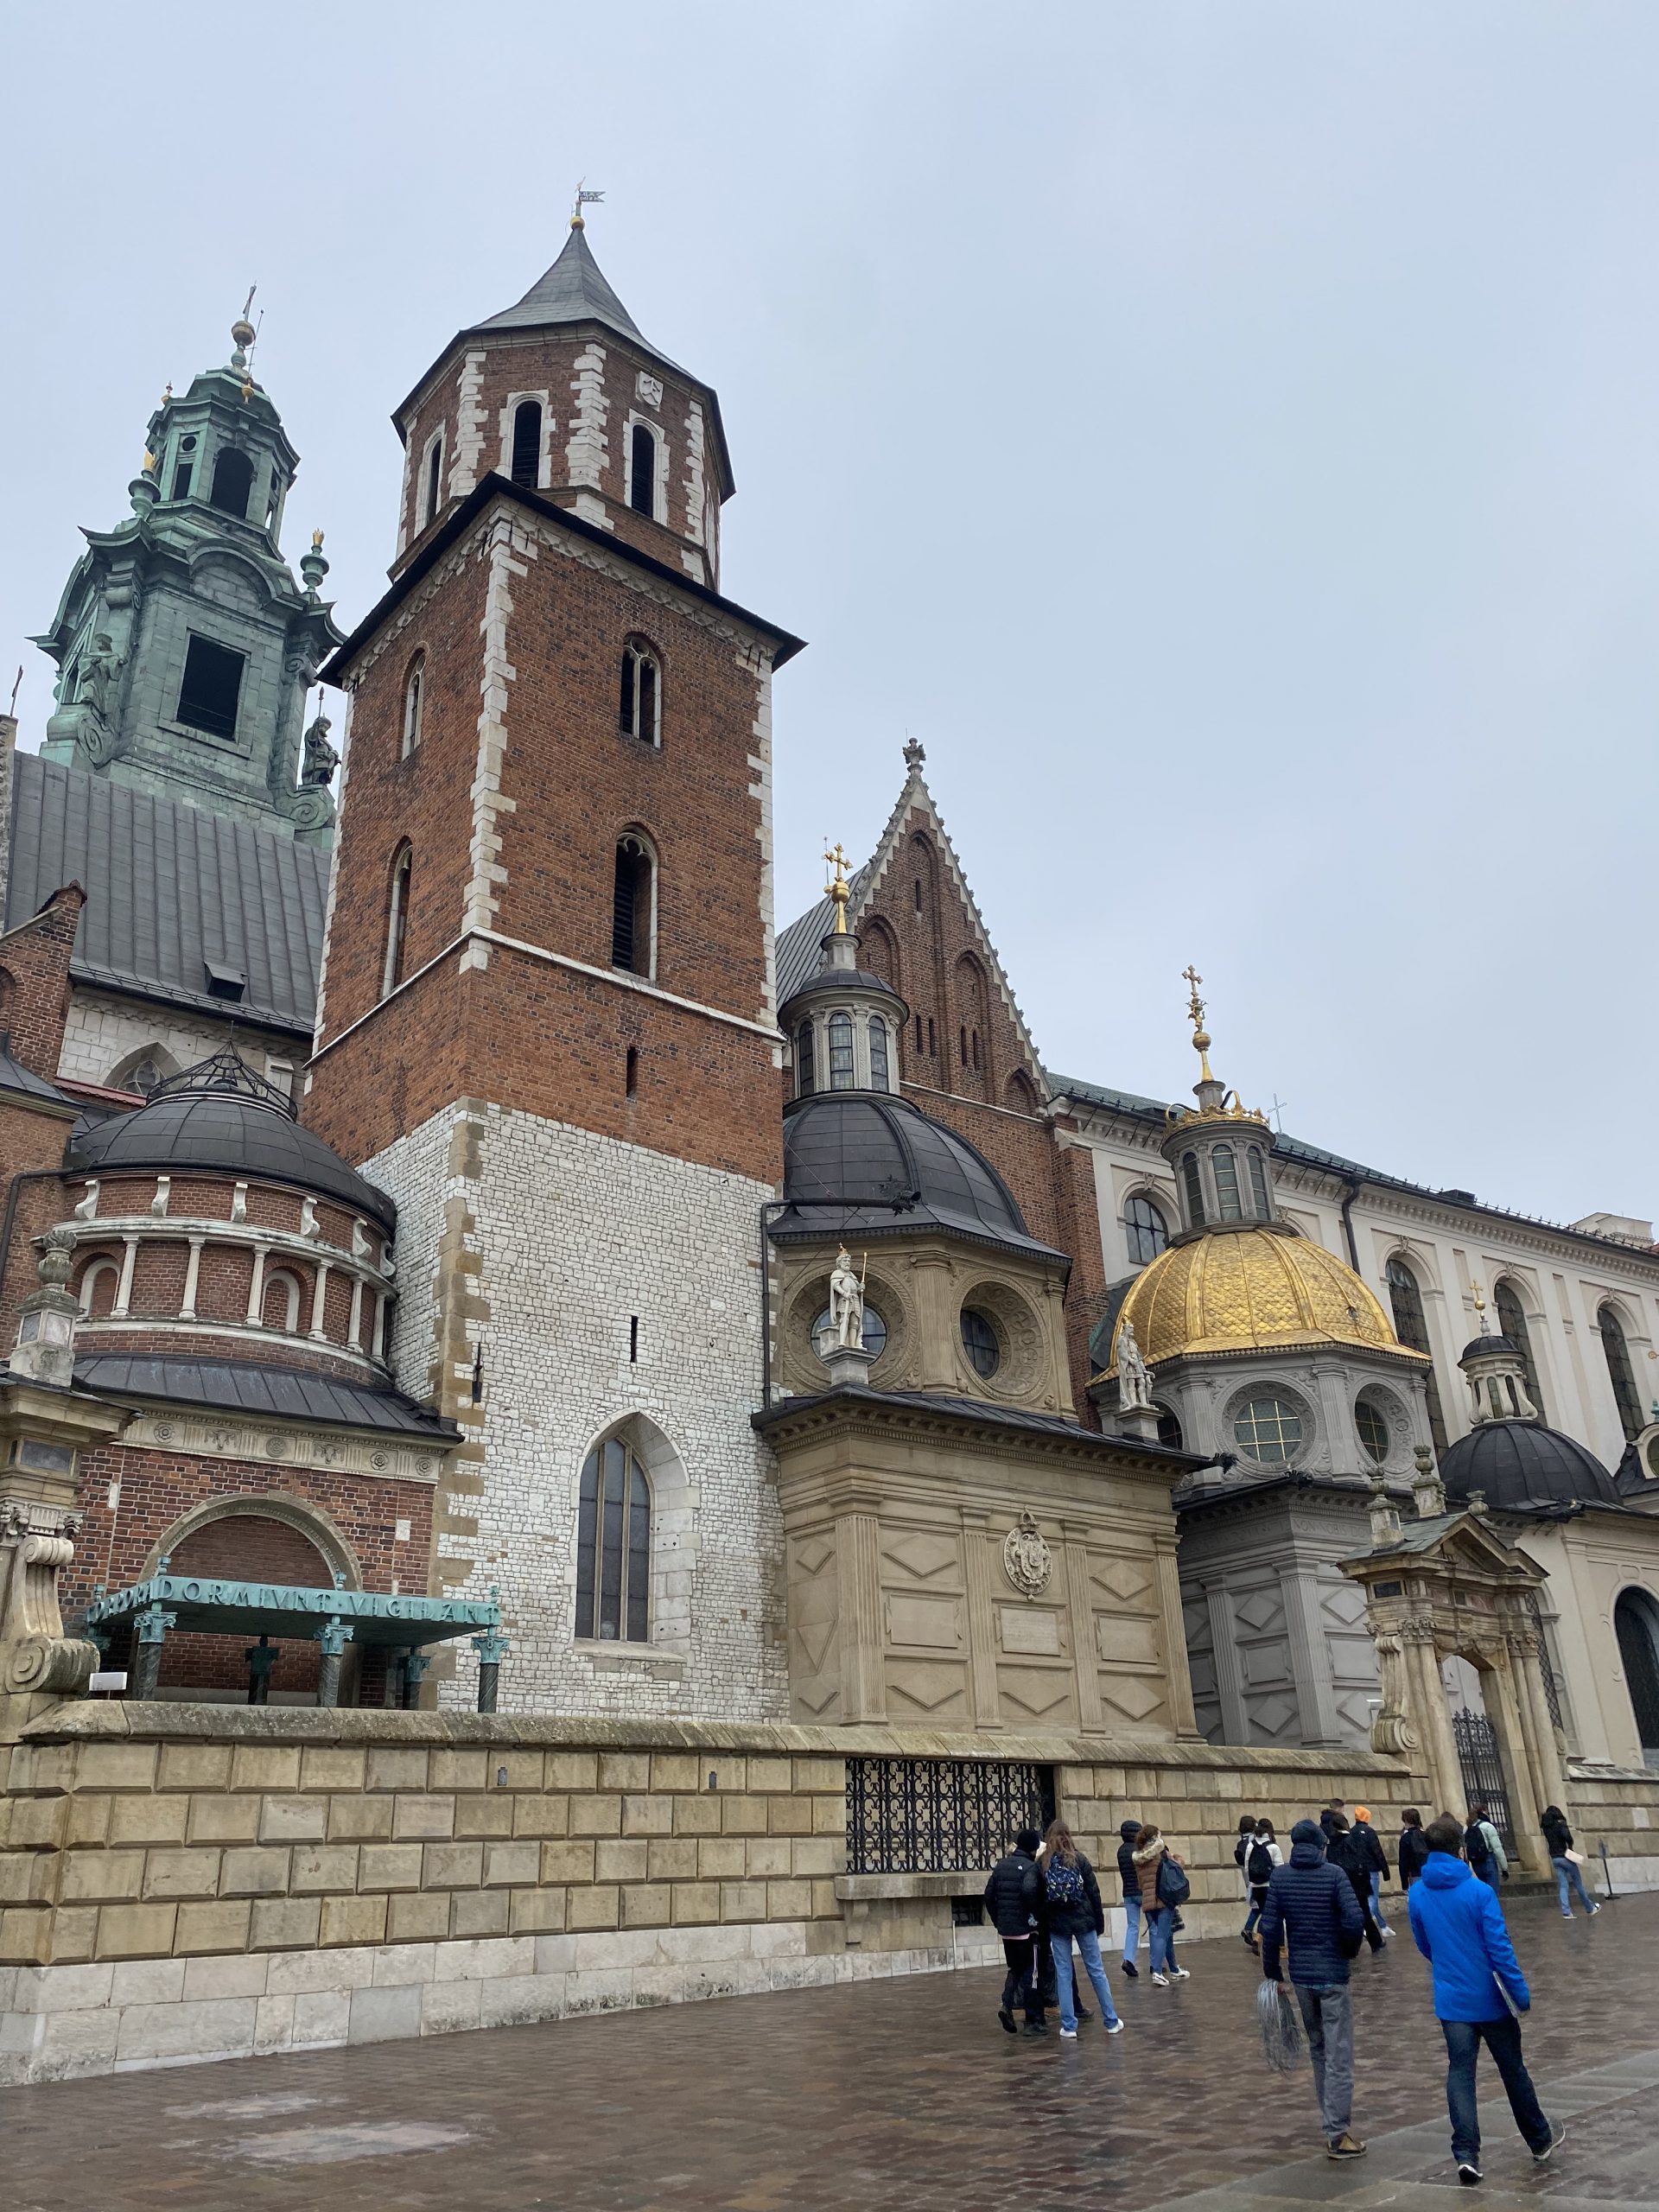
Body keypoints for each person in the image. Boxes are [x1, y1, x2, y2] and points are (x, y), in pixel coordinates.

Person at [1408, 1813, 1565, 2184]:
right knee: (1513, 2071)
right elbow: (1500, 1949)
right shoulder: (1480, 1892)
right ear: (1460, 1849)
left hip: (1451, 2001)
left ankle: (1466, 2154)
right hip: (1491, 1999)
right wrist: (1520, 1992)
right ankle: (1539, 2138)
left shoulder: (1417, 1893)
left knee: (1460, 2075)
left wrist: (1447, 1965)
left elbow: (1423, 1943)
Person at [1259, 1818, 1367, 2160]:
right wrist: (1346, 1953)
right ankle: (1337, 2132)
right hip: (1333, 1975)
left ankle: (1332, 2125)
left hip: (1302, 1977)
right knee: (1339, 2055)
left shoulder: (1281, 1877)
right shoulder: (1335, 1874)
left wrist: (1273, 1974)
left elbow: (1271, 1928)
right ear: (1321, 1845)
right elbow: (1354, 1921)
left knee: (1319, 2049)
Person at [1039, 1818, 1123, 2039]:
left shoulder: (1044, 1863)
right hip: (1084, 1921)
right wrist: (1099, 1922)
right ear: (1068, 1836)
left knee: (1064, 1974)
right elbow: (1094, 1893)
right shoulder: (1079, 1859)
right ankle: (1112, 2020)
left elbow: (1039, 1896)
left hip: (1058, 1924)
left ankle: (1069, 2026)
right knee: (1096, 1971)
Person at [983, 1827, 1046, 2037]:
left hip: (1007, 1930)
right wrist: (1035, 1919)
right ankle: (1033, 2020)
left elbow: (989, 1895)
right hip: (1027, 1931)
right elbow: (1031, 1893)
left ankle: (1006, 2005)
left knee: (1016, 1969)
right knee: (1033, 1973)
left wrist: (998, 1921)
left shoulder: (1002, 1865)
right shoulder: (1031, 1868)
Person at [1130, 1823, 1192, 1986]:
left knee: (1166, 1934)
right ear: (1155, 1836)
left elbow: (1141, 1882)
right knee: (1162, 1936)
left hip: (1148, 1900)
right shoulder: (1161, 1852)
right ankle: (1157, 1972)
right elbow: (1173, 1869)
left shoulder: (1138, 1857)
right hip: (1163, 1899)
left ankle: (1174, 1969)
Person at [1325, 1813, 1387, 1951]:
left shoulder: (1331, 1844)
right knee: (1364, 1913)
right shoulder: (1351, 1840)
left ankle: (1345, 1944)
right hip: (1357, 1883)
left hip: (1339, 1884)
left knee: (1341, 1914)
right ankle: (1375, 1941)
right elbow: (1359, 1862)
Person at [1540, 1805, 1599, 1921]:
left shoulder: (1546, 1827)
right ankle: (1590, 1908)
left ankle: (1566, 1911)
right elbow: (1568, 1837)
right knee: (1578, 1883)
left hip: (1554, 1858)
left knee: (1563, 1885)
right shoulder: (1560, 1824)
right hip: (1565, 1856)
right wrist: (1570, 1845)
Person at [1243, 1817, 1282, 1950]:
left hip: (1255, 1886)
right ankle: (1260, 1937)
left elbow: (1247, 1868)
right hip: (1269, 1886)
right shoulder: (1273, 1847)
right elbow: (1279, 1869)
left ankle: (1253, 1932)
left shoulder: (1250, 1845)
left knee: (1259, 1910)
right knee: (1271, 1914)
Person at [1352, 1806, 1392, 1932]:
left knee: (1368, 1899)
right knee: (1372, 1898)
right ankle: (1365, 1925)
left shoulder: (1351, 1832)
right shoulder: (1369, 1832)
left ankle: (1383, 1926)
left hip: (1357, 1871)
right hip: (1371, 1870)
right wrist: (1385, 1870)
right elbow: (1377, 1851)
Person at [1116, 1816, 1145, 1977]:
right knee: (1155, 1927)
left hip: (1128, 1893)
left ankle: (1128, 1959)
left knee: (1132, 1927)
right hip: (1142, 1891)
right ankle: (1157, 1963)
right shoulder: (1139, 1849)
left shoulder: (1120, 1850)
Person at [1464, 1804, 1509, 1893]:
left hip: (1475, 1862)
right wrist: (1504, 1868)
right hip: (1488, 1860)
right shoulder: (1488, 1826)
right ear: (1484, 1812)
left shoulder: (1466, 1828)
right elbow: (1497, 1849)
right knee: (1492, 1892)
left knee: (1482, 1892)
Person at [1397, 1808, 1430, 1892]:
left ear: (1407, 1821)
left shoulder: (1406, 1838)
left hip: (1415, 1874)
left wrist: (1404, 1885)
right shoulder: (1426, 1835)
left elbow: (1403, 1863)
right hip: (1430, 1872)